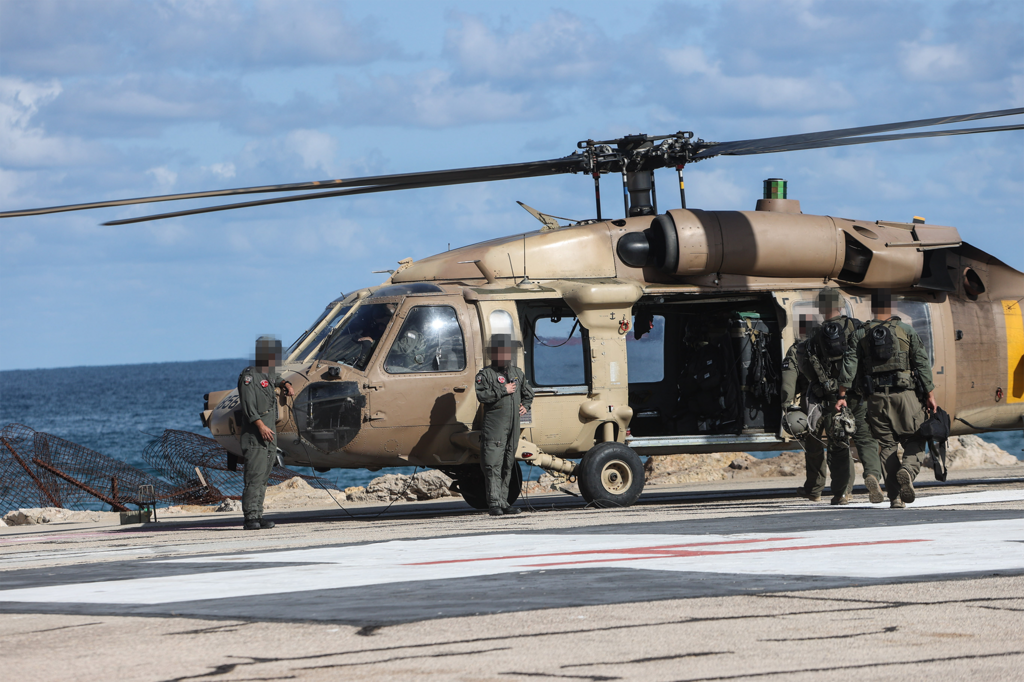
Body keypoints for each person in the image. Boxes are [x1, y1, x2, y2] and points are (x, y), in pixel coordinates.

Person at [858, 290, 938, 509]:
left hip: (875, 398)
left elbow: (852, 369)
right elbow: (921, 364)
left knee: (886, 447)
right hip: (905, 396)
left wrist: (854, 395)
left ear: (872, 308)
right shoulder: (905, 330)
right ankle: (908, 471)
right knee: (915, 438)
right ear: (890, 307)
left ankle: (895, 497)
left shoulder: (861, 334)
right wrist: (930, 395)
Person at [238, 335, 295, 530]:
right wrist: (260, 426)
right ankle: (250, 517)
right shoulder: (249, 376)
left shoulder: (267, 373)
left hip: (269, 435)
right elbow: (248, 406)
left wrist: (285, 384)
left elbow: (275, 379)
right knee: (254, 475)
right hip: (256, 435)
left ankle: (258, 513)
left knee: (263, 476)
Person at [475, 333, 534, 516]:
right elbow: (481, 396)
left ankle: (504, 501)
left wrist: (525, 405)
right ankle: (494, 503)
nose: (503, 356)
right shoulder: (485, 375)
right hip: (495, 426)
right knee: (493, 464)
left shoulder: (517, 373)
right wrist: (503, 389)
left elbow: (528, 393)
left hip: (513, 426)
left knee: (508, 463)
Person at [781, 314, 826, 502]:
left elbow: (788, 383)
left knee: (814, 445)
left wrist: (786, 406)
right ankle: (843, 492)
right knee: (840, 446)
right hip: (836, 400)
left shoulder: (797, 349)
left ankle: (815, 490)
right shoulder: (829, 346)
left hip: (812, 402)